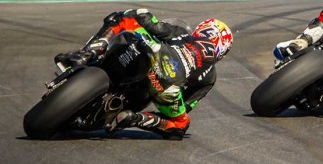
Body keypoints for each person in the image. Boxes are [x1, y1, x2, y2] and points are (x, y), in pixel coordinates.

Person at [54, 9, 233, 139]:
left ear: (201, 30)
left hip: (154, 54)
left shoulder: (182, 34)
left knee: (123, 17)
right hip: (165, 86)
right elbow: (186, 106)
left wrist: (141, 15)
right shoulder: (210, 77)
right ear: (222, 52)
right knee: (180, 125)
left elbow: (152, 25)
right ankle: (135, 118)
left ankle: (86, 53)